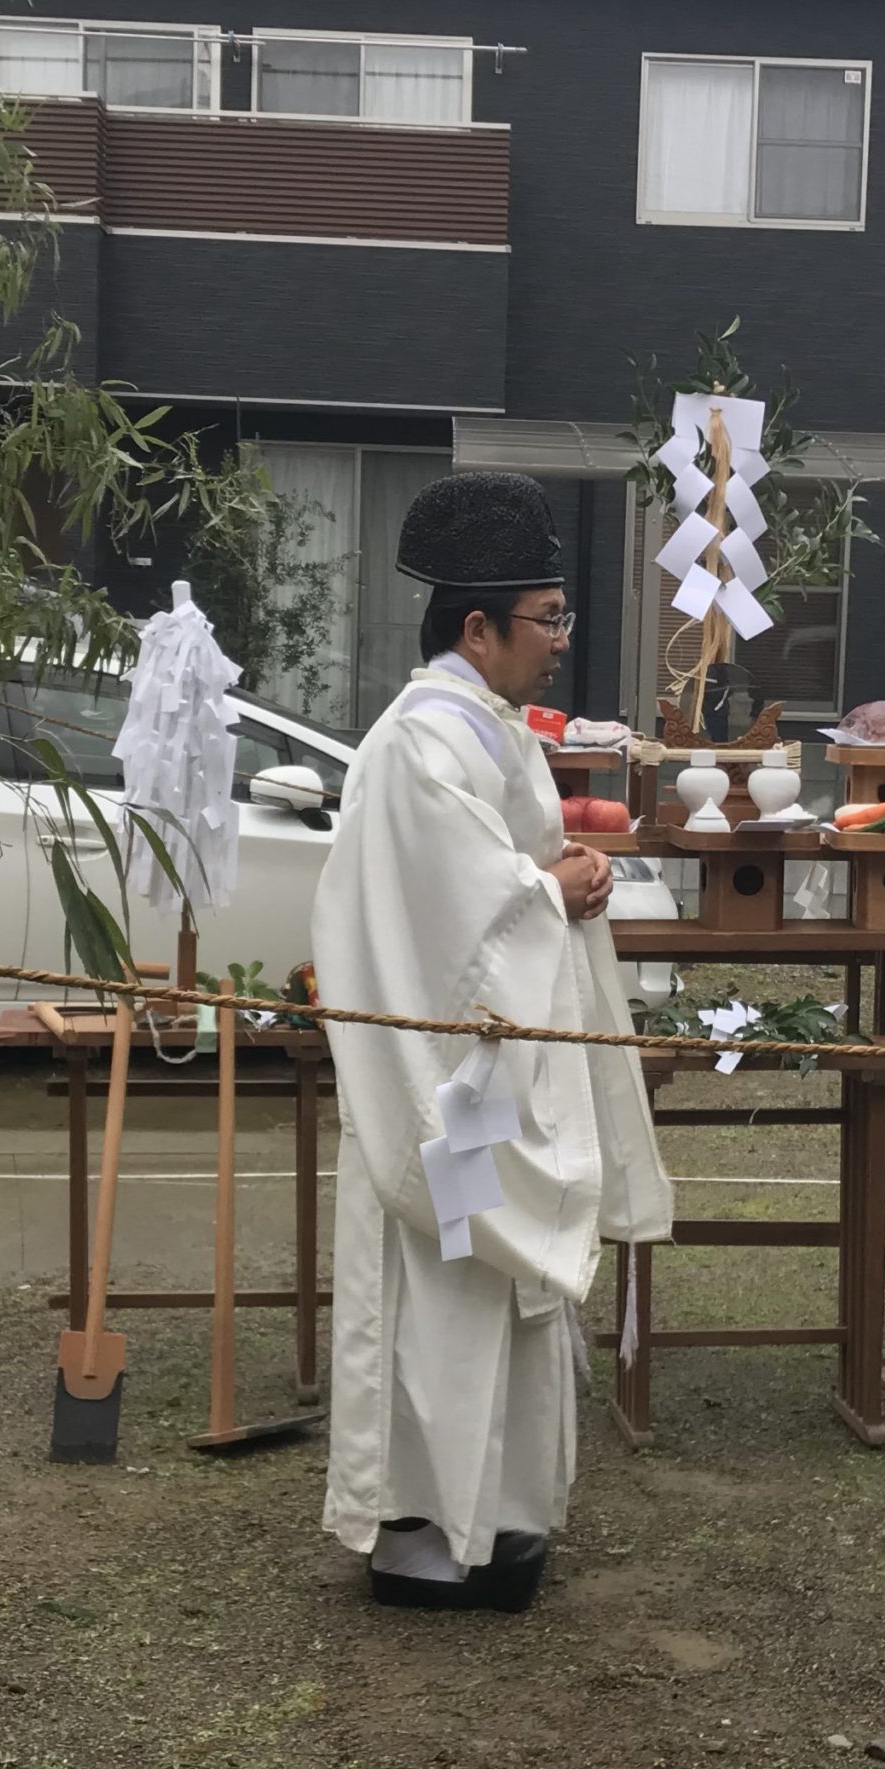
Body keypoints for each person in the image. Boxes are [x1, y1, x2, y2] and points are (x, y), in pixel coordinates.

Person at [312, 473, 672, 1611]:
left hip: (493, 1062)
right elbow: (447, 912)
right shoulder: (420, 744)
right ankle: (425, 1539)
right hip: (442, 1083)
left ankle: (505, 1517)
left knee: (495, 1306)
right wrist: (543, 887)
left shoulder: (484, 727)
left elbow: (510, 878)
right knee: (440, 1306)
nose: (561, 641)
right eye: (548, 618)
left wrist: (569, 879)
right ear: (478, 627)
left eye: (561, 616)